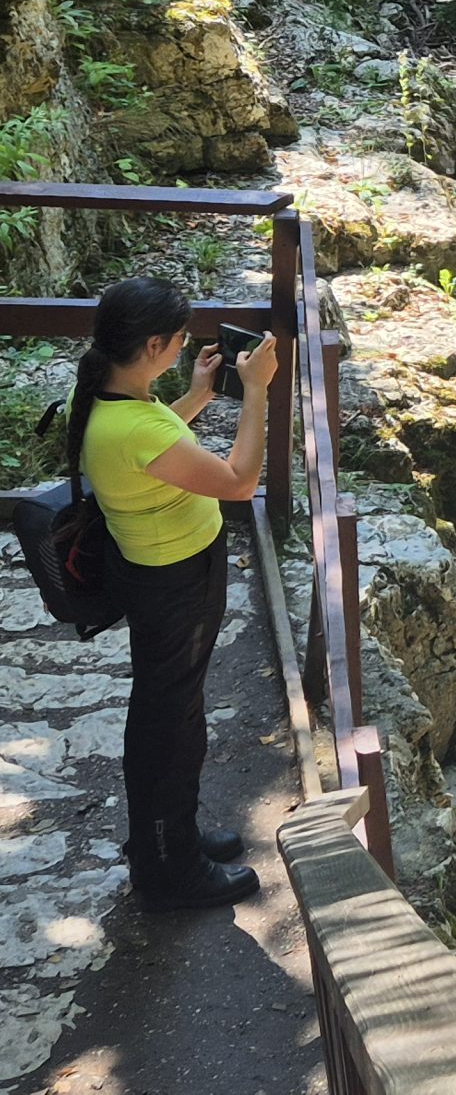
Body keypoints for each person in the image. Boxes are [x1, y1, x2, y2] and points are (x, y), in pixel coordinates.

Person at [69, 276, 278, 910]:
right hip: (175, 583)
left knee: (170, 711)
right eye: (181, 338)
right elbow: (238, 482)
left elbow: (155, 448)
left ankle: (166, 839)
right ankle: (170, 871)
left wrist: (195, 396)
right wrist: (256, 392)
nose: (188, 344)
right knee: (171, 725)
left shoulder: (110, 398)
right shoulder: (132, 426)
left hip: (158, 573)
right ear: (155, 344)